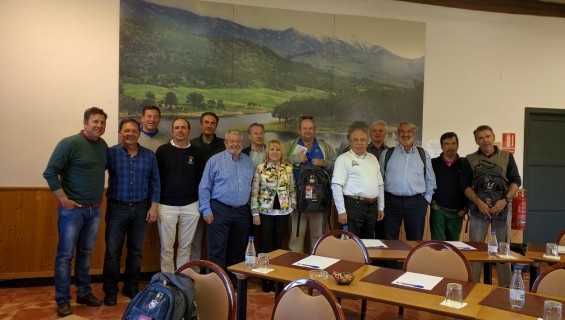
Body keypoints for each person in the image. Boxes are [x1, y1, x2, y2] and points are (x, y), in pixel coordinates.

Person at [43, 107, 108, 317]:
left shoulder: (103, 145)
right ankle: (63, 299)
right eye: (95, 121)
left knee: (86, 254)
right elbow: (50, 172)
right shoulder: (69, 143)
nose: (99, 125)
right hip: (72, 212)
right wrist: (63, 199)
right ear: (85, 122)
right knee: (65, 256)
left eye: (102, 122)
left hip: (95, 210)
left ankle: (83, 292)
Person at [102, 119, 160, 306]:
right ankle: (110, 291)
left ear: (139, 133)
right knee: (112, 252)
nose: (130, 134)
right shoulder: (110, 153)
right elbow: (94, 172)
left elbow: (155, 183)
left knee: (136, 252)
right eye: (126, 130)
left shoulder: (149, 155)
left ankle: (131, 287)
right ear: (120, 132)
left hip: (141, 209)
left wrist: (154, 206)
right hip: (116, 208)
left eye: (134, 131)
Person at [461, 125, 521, 286]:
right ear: (476, 140)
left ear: (493, 137)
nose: (485, 140)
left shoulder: (507, 157)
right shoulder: (470, 159)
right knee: (476, 250)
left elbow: (516, 181)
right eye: (480, 138)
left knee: (503, 250)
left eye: (487, 136)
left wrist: (505, 200)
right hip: (478, 210)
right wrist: (479, 203)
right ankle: (472, 285)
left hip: (502, 210)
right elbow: (464, 185)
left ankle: (505, 287)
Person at [198, 130, 255, 273]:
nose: (235, 144)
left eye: (238, 141)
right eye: (232, 141)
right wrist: (206, 209)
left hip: (242, 211)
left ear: (242, 143)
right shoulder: (214, 161)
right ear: (226, 143)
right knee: (217, 248)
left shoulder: (249, 162)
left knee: (237, 249)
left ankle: (234, 282)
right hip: (219, 209)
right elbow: (204, 186)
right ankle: (216, 282)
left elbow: (253, 186)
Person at [155, 118, 205, 273]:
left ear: (189, 131)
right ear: (172, 131)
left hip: (190, 205)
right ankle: (168, 280)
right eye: (177, 127)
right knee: (167, 247)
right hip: (166, 205)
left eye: (183, 127)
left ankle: (182, 279)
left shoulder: (197, 153)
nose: (180, 130)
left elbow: (201, 180)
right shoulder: (162, 151)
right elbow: (156, 179)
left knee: (185, 246)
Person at [250, 139, 296, 292]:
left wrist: (292, 206)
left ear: (281, 152)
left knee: (278, 248)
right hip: (265, 213)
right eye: (272, 149)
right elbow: (254, 191)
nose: (274, 152)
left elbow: (292, 190)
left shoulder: (288, 169)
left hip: (283, 213)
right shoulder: (260, 168)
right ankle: (265, 280)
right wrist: (255, 212)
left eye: (277, 149)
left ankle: (276, 279)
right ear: (267, 152)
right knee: (265, 247)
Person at [287, 116, 337, 253]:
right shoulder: (291, 145)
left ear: (315, 130)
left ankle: (316, 268)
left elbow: (338, 167)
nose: (307, 131)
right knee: (296, 236)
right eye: (304, 128)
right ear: (299, 130)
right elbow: (279, 163)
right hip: (298, 198)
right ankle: (294, 269)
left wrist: (323, 163)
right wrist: (295, 159)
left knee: (318, 235)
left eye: (310, 128)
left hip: (319, 199)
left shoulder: (324, 146)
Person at [380, 121, 436, 241]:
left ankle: (413, 261)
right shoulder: (387, 154)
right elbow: (380, 181)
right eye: (402, 131)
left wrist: (426, 201)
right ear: (397, 134)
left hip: (416, 203)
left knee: (415, 242)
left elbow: (430, 180)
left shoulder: (423, 154)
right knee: (389, 241)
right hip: (391, 203)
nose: (406, 134)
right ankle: (389, 261)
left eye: (409, 131)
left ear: (414, 134)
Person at [331, 128, 385, 238]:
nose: (359, 143)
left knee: (367, 243)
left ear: (367, 142)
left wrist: (381, 207)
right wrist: (341, 211)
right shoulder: (343, 159)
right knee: (348, 244)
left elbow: (380, 185)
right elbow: (336, 186)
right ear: (350, 143)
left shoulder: (373, 158)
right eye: (355, 140)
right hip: (352, 207)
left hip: (372, 208)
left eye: (363, 139)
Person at [189, 112, 226, 266]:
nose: (209, 125)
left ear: (216, 126)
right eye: (206, 122)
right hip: (196, 196)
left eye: (212, 123)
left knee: (217, 239)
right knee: (196, 237)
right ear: (200, 125)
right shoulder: (191, 144)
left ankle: (215, 271)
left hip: (218, 198)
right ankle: (195, 270)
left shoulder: (224, 144)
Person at [430, 132, 466, 241]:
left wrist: (465, 209)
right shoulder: (433, 163)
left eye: (453, 143)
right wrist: (433, 203)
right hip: (438, 211)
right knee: (437, 245)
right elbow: (427, 184)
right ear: (441, 146)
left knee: (453, 246)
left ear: (458, 145)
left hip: (457, 213)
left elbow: (470, 187)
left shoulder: (465, 164)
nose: (450, 147)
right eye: (446, 144)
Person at [368, 120, 390, 239]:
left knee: (383, 234)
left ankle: (381, 258)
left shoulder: (391, 153)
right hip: (367, 199)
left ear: (385, 133)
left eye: (381, 131)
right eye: (374, 131)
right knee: (367, 234)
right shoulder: (363, 151)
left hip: (385, 199)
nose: (377, 133)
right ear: (370, 134)